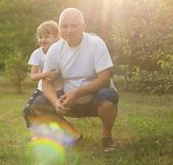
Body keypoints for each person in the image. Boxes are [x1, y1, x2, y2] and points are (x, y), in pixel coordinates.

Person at [31, 8, 119, 153]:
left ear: (83, 27)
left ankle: (106, 137)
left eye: (74, 25)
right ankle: (72, 134)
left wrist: (76, 94)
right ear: (59, 28)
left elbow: (105, 78)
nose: (69, 30)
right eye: (64, 26)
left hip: (95, 101)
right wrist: (56, 102)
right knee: (40, 103)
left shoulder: (96, 43)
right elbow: (47, 83)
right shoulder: (55, 50)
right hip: (68, 103)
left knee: (108, 95)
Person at [22, 20, 61, 128]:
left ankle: (57, 130)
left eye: (46, 36)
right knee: (27, 110)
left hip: (58, 90)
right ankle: (36, 131)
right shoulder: (37, 54)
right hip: (41, 89)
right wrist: (46, 74)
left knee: (49, 110)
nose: (42, 40)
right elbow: (33, 76)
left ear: (57, 37)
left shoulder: (61, 51)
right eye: (40, 37)